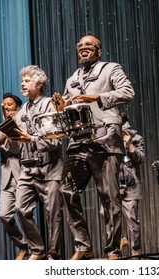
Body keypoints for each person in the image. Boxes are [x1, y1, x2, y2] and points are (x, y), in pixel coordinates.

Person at [52, 35, 135, 260]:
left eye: (89, 45)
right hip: (79, 142)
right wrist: (61, 107)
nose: (83, 49)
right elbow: (69, 109)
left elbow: (128, 92)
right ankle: (84, 246)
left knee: (109, 197)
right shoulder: (72, 79)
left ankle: (113, 249)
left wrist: (97, 97)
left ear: (99, 51)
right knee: (66, 190)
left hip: (105, 140)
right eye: (80, 46)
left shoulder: (110, 69)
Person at [7, 65, 64, 260]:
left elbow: (55, 140)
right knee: (20, 208)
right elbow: (17, 142)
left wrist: (30, 138)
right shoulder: (23, 109)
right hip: (27, 169)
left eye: (27, 80)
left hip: (49, 168)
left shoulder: (49, 105)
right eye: (22, 80)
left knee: (52, 214)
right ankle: (37, 249)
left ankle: (54, 253)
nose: (22, 84)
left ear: (39, 84)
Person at [0, 92, 29, 260]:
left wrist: (14, 131)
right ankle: (23, 245)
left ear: (17, 108)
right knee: (4, 215)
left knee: (23, 212)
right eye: (4, 105)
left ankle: (37, 249)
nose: (6, 108)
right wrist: (2, 136)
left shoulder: (24, 124)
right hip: (7, 180)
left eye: (9, 105)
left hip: (23, 176)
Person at [118, 112, 144, 256]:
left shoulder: (136, 138)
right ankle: (121, 239)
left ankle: (136, 252)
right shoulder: (109, 138)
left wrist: (129, 144)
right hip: (114, 182)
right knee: (107, 215)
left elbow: (140, 159)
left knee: (132, 219)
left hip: (131, 185)